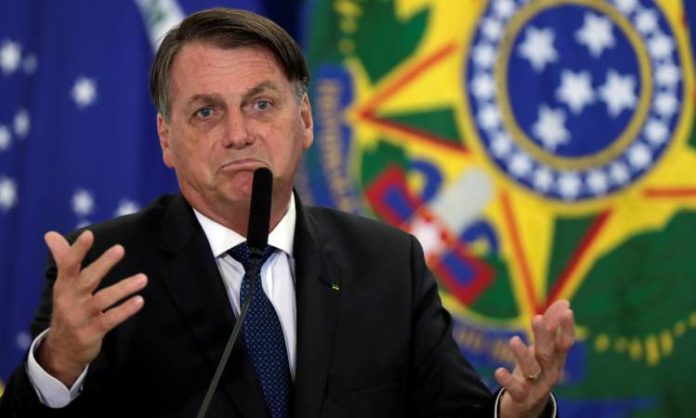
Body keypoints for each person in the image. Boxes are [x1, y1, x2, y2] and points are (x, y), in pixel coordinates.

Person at [0, 7, 574, 418]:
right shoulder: (107, 270)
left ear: (304, 121)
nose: (238, 133)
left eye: (261, 104)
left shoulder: (387, 264)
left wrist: (517, 410)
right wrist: (60, 363)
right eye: (206, 113)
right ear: (166, 138)